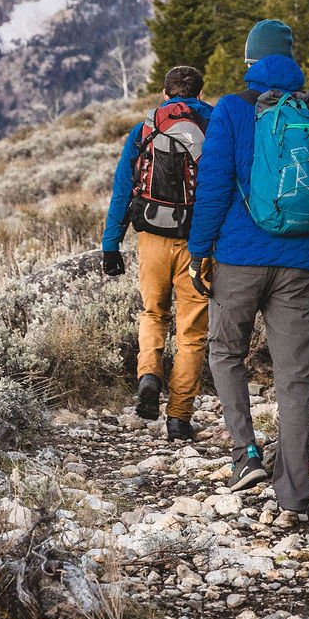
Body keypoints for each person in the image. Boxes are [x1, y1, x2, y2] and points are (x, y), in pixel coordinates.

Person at [185, 19, 309, 520]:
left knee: (225, 354)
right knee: (296, 380)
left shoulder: (233, 110)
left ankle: (246, 456)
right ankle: (295, 497)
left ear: (250, 62)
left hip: (237, 259)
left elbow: (213, 186)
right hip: (301, 265)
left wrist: (200, 252)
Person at [100, 64, 213, 441]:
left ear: (165, 94)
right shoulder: (213, 124)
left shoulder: (144, 128)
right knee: (192, 331)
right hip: (198, 241)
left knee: (153, 312)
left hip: (151, 236)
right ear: (198, 93)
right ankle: (179, 417)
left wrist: (110, 244)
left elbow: (121, 189)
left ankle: (149, 375)